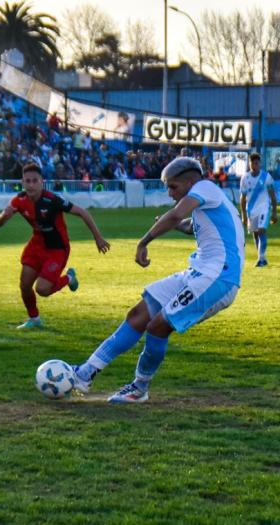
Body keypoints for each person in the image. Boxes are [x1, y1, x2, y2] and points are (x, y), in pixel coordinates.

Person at [71, 157, 244, 404]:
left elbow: (176, 215)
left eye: (173, 187)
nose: (169, 193)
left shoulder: (204, 188)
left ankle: (139, 389)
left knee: (158, 326)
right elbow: (187, 225)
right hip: (198, 272)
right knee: (138, 315)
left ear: (190, 181)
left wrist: (144, 241)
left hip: (217, 277)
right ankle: (84, 374)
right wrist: (176, 225)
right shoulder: (210, 200)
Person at [0, 163, 110, 329]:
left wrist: (98, 238)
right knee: (25, 285)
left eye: (35, 181)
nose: (31, 185)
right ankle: (34, 319)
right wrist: (3, 217)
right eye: (28, 181)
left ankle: (69, 278)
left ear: (42, 181)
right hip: (36, 245)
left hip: (57, 249)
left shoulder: (53, 200)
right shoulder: (18, 200)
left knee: (42, 289)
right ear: (23, 182)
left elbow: (83, 212)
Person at [239, 152, 278, 266]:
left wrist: (274, 212)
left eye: (257, 163)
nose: (254, 165)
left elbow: (272, 196)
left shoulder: (266, 177)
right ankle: (262, 258)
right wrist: (243, 215)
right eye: (252, 163)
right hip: (251, 210)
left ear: (260, 164)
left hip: (264, 208)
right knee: (255, 234)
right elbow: (243, 198)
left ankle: (260, 258)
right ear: (249, 164)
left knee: (261, 230)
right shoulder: (245, 178)